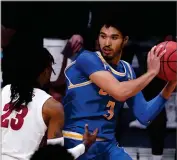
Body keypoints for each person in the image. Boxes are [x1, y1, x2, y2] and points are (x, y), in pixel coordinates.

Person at [63, 15, 177, 160]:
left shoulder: (127, 70)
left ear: (125, 41)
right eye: (103, 36)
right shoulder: (87, 59)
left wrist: (172, 82)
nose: (107, 43)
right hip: (78, 141)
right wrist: (152, 73)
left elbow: (144, 116)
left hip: (108, 146)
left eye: (114, 37)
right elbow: (119, 92)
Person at [1, 33, 98, 160]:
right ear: (46, 71)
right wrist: (85, 145)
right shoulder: (52, 106)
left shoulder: (5, 91)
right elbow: (56, 157)